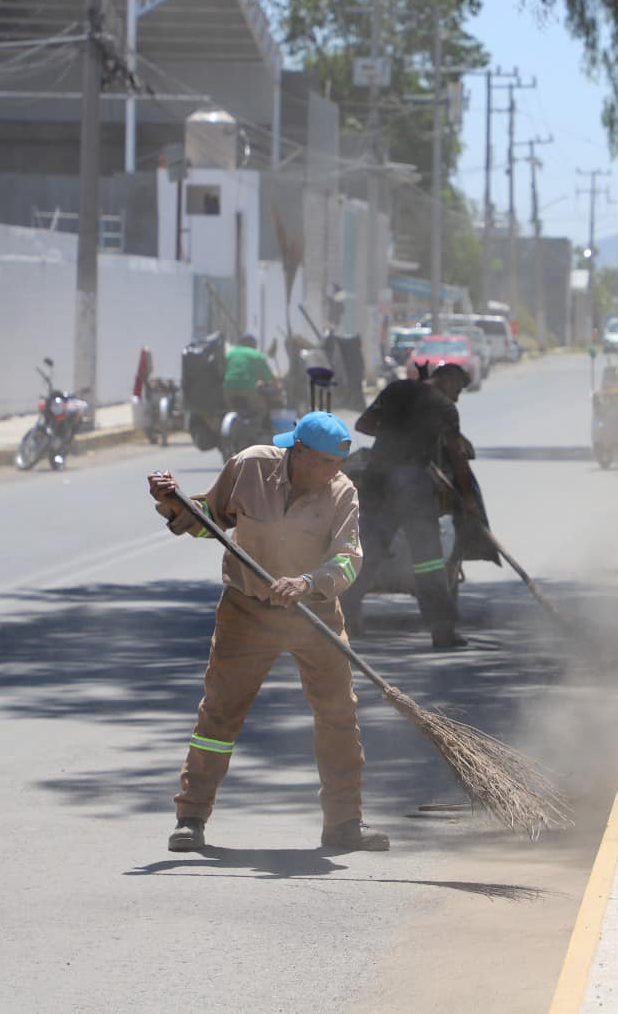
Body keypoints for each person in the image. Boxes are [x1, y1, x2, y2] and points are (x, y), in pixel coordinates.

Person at [148, 411, 391, 854]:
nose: (333, 473)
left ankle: (344, 823)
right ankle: (191, 818)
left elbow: (348, 559)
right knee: (218, 714)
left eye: (339, 464)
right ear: (297, 451)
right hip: (248, 610)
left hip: (314, 614)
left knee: (338, 714)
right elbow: (209, 519)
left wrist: (307, 582)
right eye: (324, 464)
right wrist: (172, 502)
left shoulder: (342, 492)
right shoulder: (250, 466)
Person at [340, 362, 476, 649]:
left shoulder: (396, 389)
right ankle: (442, 631)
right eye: (458, 389)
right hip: (414, 487)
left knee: (367, 553)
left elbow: (363, 424)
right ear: (446, 380)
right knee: (429, 560)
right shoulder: (445, 409)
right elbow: (458, 457)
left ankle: (340, 621)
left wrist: (392, 433)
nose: (457, 398)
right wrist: (469, 499)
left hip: (377, 481)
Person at [223, 334, 277, 418]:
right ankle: (256, 428)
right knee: (261, 408)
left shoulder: (230, 353)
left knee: (229, 410)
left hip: (228, 389)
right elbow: (268, 379)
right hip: (247, 389)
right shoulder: (256, 355)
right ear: (254, 345)